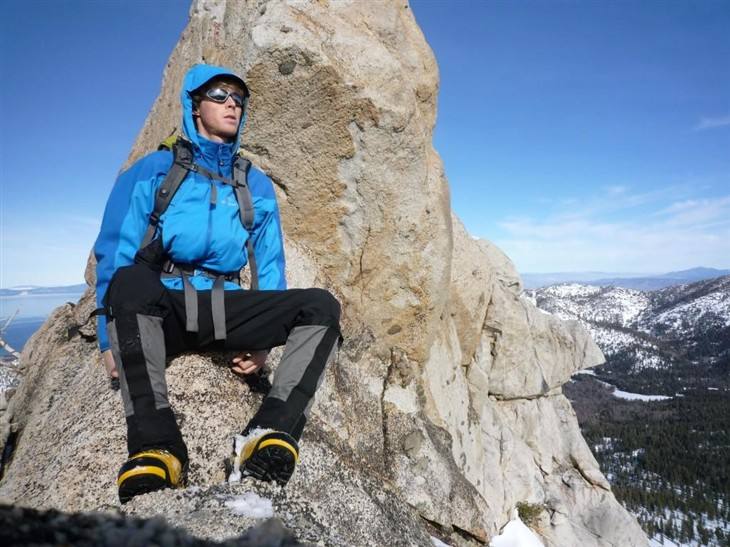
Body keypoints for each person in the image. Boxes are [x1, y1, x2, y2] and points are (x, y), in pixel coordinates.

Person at [94, 63, 341, 503]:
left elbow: (269, 265)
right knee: (129, 280)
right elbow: (116, 250)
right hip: (164, 309)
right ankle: (157, 449)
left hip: (224, 308)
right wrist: (107, 337)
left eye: (238, 98)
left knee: (321, 306)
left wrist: (264, 342)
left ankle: (267, 432)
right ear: (194, 105)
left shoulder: (253, 183)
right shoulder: (155, 170)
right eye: (219, 95)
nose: (232, 104)